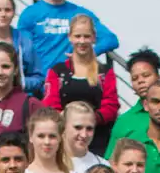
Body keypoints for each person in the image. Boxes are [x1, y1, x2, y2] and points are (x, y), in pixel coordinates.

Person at [15, 0, 119, 95]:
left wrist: (90, 53)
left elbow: (110, 39)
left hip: (69, 87)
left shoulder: (80, 14)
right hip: (38, 88)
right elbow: (22, 52)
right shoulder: (30, 14)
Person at [41, 15, 119, 152]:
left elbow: (111, 105)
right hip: (63, 141)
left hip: (97, 141)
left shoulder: (105, 72)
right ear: (70, 37)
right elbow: (50, 105)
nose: (82, 41)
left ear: (94, 38)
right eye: (77, 36)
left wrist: (88, 120)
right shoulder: (57, 71)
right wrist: (70, 121)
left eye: (86, 36)